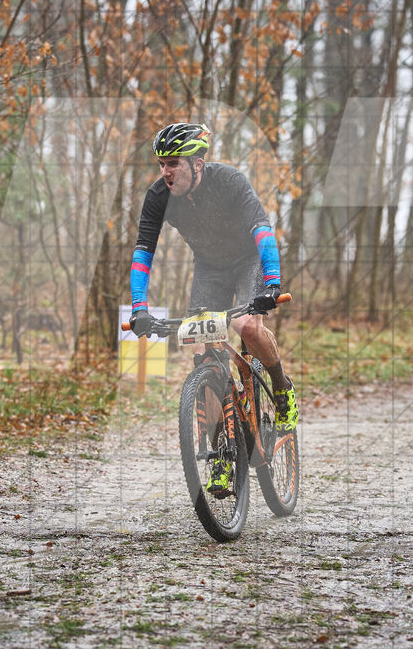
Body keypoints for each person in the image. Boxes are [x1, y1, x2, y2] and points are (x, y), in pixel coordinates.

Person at [127, 122, 298, 493]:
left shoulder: (229, 181)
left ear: (198, 164)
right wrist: (139, 306)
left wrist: (271, 283)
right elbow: (143, 254)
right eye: (161, 164)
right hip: (209, 268)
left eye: (173, 163)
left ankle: (282, 388)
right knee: (198, 345)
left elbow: (262, 229)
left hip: (247, 260)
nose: (166, 172)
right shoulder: (159, 196)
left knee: (247, 329)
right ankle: (222, 452)